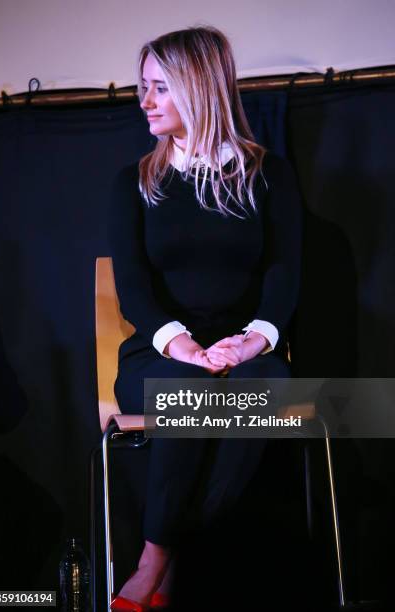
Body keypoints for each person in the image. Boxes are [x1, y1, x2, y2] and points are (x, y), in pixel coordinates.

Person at [108, 25, 302, 611]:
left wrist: (252, 341)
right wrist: (183, 346)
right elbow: (133, 289)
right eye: (143, 87)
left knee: (265, 388)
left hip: (245, 353)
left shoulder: (267, 174)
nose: (144, 101)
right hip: (161, 356)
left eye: (159, 88)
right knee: (188, 387)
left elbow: (284, 273)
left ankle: (169, 556)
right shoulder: (134, 183)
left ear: (198, 89)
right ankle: (157, 561)